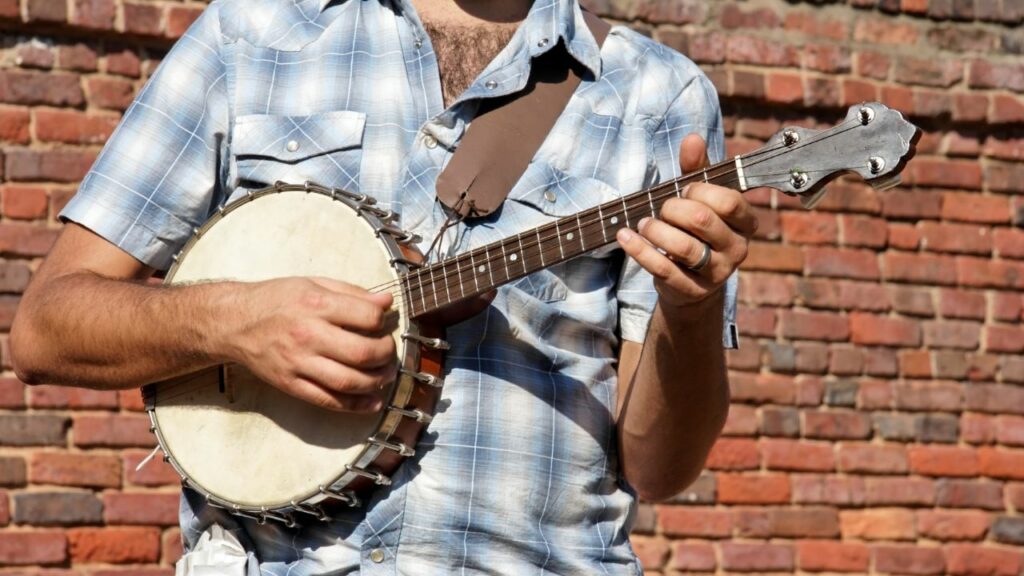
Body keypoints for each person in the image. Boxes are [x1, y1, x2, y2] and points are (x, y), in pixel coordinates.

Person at [10, 0, 757, 573]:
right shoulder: (250, 35)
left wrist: (688, 314)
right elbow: (48, 325)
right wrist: (234, 322)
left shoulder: (654, 94)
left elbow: (660, 469)